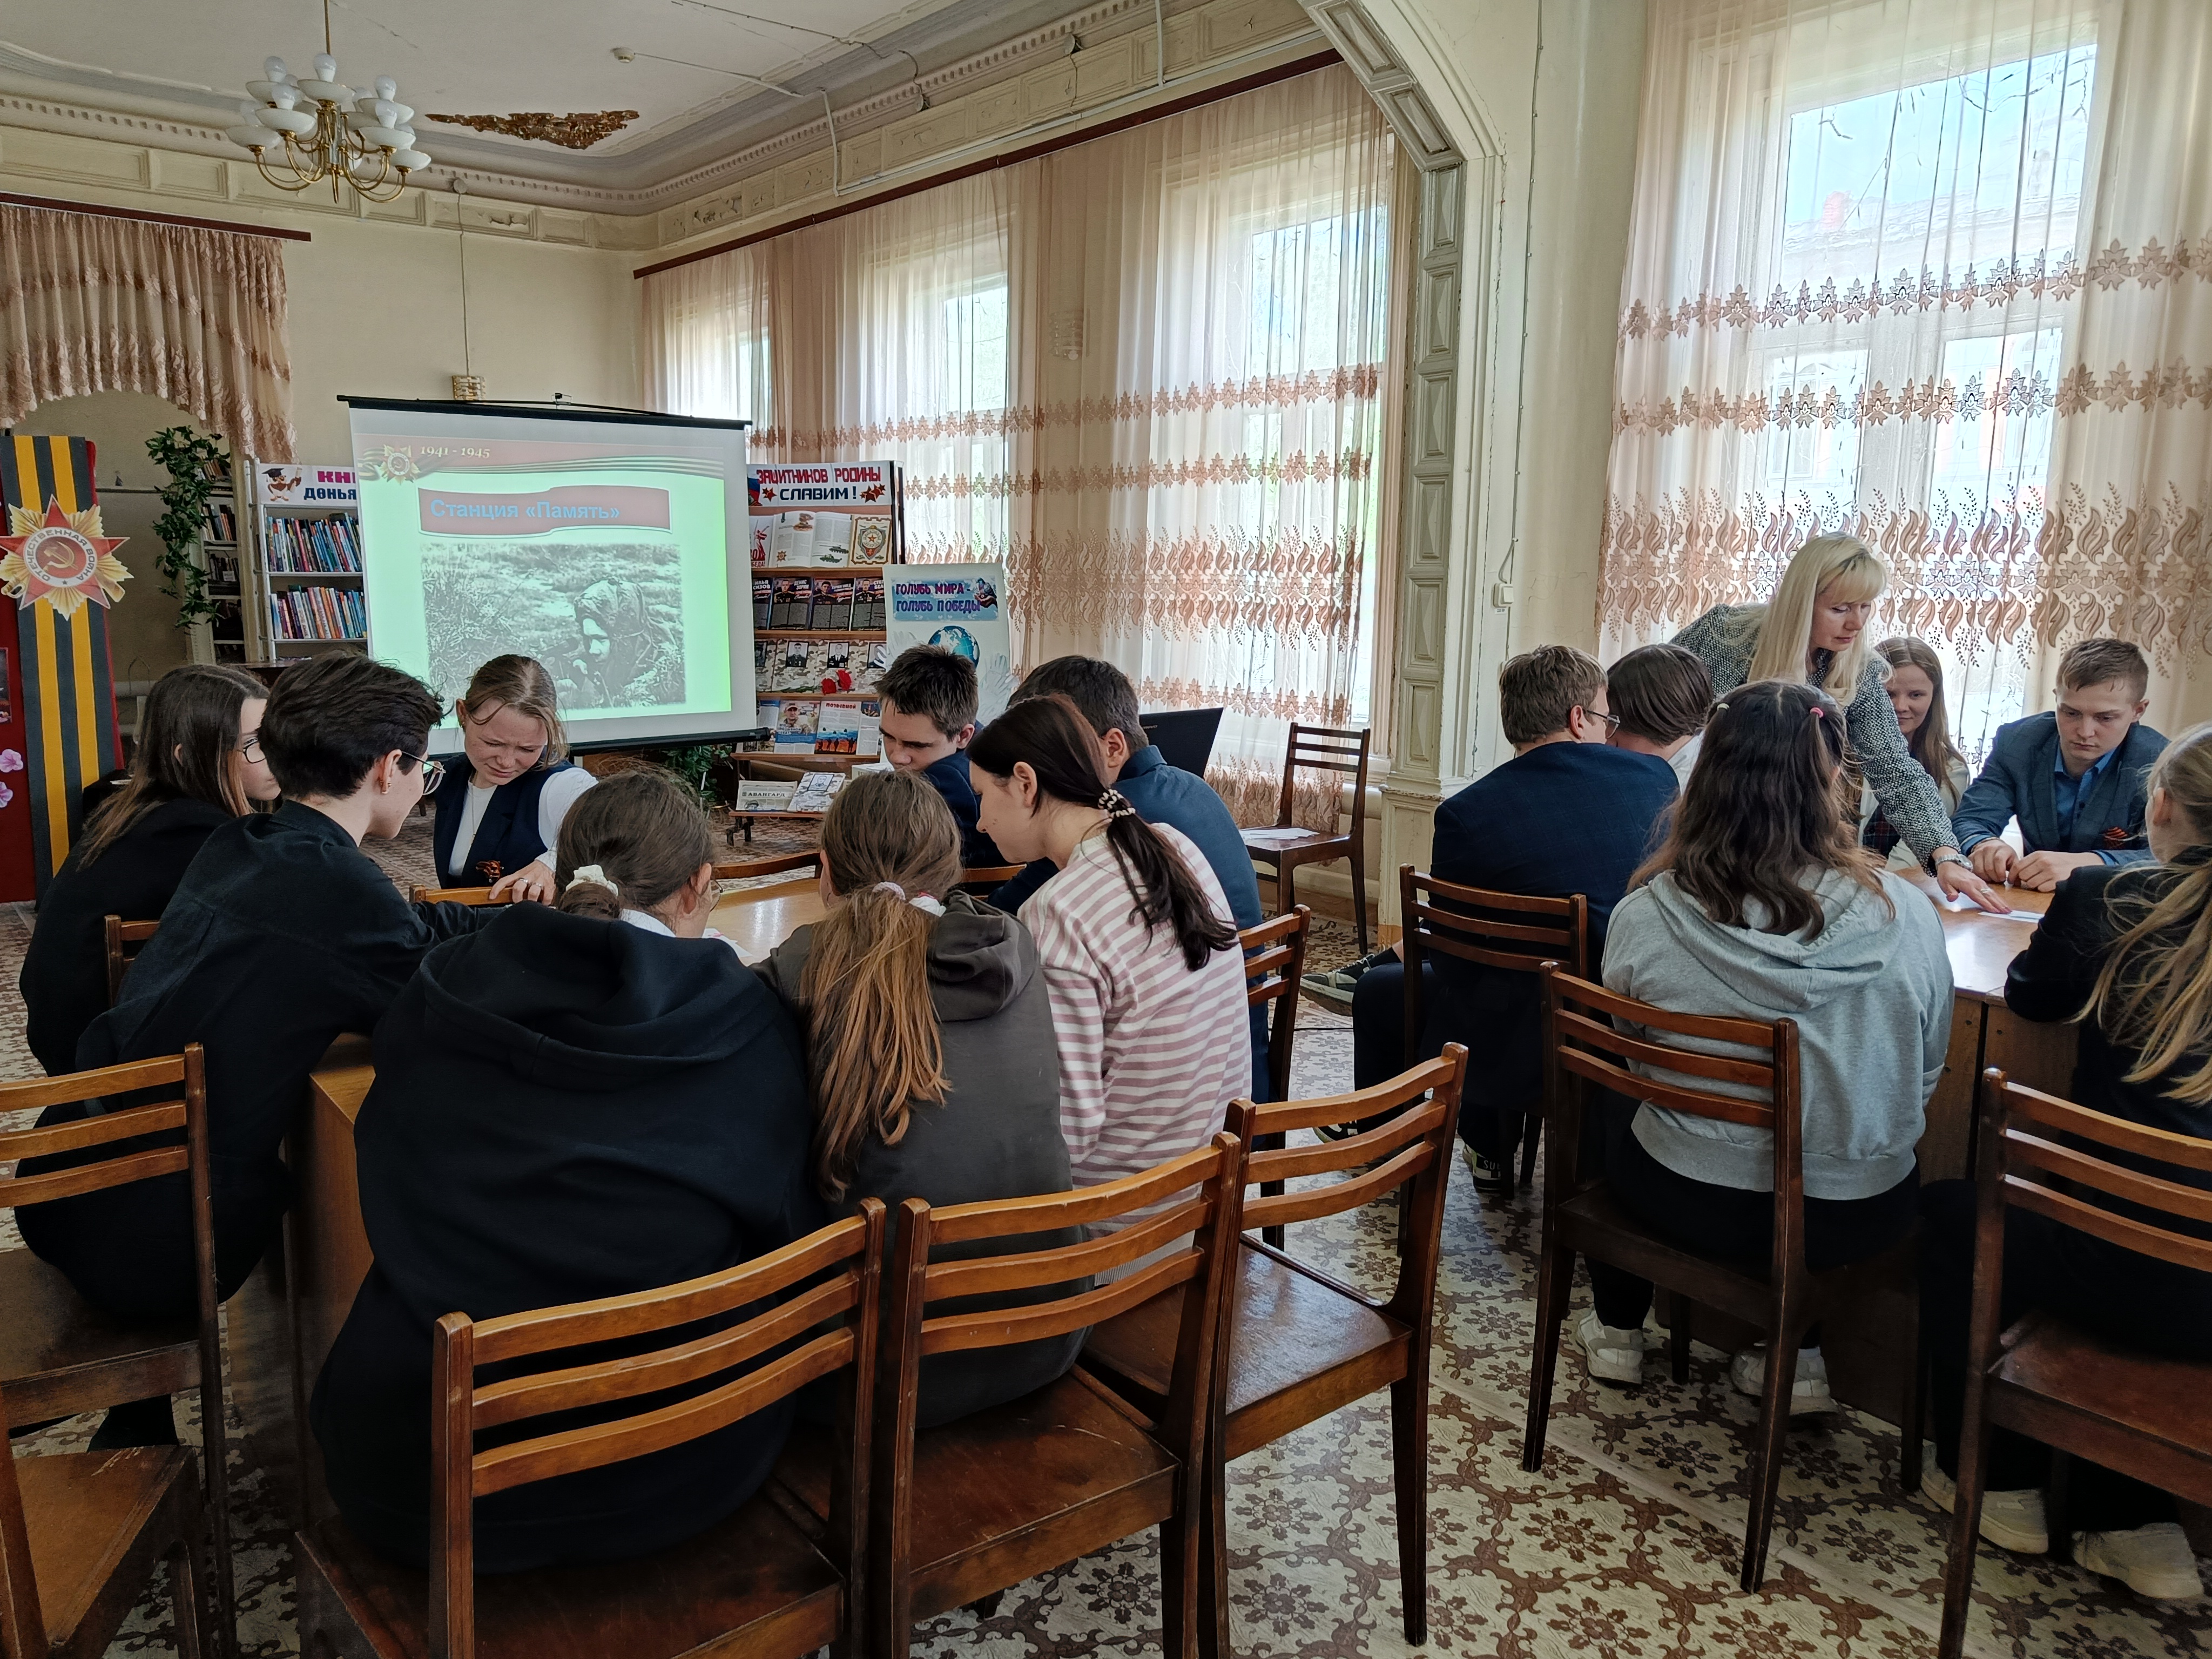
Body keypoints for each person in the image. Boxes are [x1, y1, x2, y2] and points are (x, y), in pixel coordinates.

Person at [312, 768, 820, 1571]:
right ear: (700, 887)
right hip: (680, 1459)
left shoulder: (442, 990)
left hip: (422, 1469)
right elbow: (783, 1219)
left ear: (564, 866)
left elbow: (383, 1161)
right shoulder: (743, 1018)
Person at [18, 653, 487, 1446]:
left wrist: (522, 920)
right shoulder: (333, 886)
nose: (422, 788)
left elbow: (405, 933)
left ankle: (137, 1433)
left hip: (76, 1177)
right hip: (165, 1234)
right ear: (387, 768)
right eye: (425, 770)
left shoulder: (250, 841)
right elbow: (440, 1000)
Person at [1583, 678, 1952, 1413]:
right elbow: (1924, 1069)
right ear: (1833, 776)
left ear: (1704, 772)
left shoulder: (1646, 913)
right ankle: (1799, 1354)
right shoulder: (1907, 914)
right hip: (1856, 1210)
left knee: (1609, 1097)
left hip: (1690, 1196)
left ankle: (1619, 1328)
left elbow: (1637, 1058)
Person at [1919, 722, 2212, 1604]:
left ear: (2161, 807)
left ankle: (1995, 1481)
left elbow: (2032, 996)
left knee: (1958, 1214)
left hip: (2117, 1258)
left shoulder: (2111, 899)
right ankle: (2128, 1518)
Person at [752, 768, 1082, 1425]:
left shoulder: (796, 970)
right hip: (1046, 1330)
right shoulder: (1012, 946)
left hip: (875, 1372)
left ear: (826, 869)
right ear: (950, 867)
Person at [1348, 645, 1678, 1192]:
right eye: (1607, 719)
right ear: (1579, 719)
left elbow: (1452, 963)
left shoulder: (1467, 812)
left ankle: (1389, 1154)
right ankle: (1488, 1146)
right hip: (1627, 1021)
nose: (1609, 731)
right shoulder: (1655, 780)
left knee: (1384, 989)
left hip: (1510, 1043)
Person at [968, 695, 1247, 1202]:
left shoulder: (1059, 911)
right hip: (1209, 1191)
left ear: (1025, 784)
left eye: (983, 796)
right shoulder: (1173, 845)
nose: (981, 822)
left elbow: (1064, 1136)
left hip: (1122, 1221)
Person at [1672, 534, 2007, 913]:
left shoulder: (1861, 671)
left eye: (1865, 607)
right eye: (1841, 608)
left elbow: (1894, 769)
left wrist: (1944, 854)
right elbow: (1652, 702)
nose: (1856, 623)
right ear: (1800, 602)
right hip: (1700, 822)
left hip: (1786, 841)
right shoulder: (1722, 634)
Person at [987, 657, 1271, 1098]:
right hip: (1233, 1062)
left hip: (1174, 1089)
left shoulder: (1107, 824)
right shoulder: (1191, 786)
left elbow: (999, 923)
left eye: (1056, 750)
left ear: (1112, 747)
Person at [21, 664, 280, 1077]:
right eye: (253, 744)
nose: (276, 756)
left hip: (74, 1046)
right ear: (188, 756)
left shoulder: (140, 811)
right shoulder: (193, 834)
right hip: (111, 1069)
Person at [1951, 637, 2166, 892]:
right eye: (2071, 713)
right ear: (2057, 699)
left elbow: (2174, 856)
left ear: (2138, 711)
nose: (2085, 732)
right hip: (2029, 901)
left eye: (2105, 718)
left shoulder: (2161, 763)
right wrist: (1984, 844)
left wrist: (2091, 863)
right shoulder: (2018, 743)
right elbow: (1971, 819)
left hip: (2117, 903)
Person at [429, 655, 596, 901]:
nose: (507, 762)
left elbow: (622, 834)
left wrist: (553, 862)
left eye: (528, 749)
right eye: (492, 743)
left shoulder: (563, 784)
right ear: (463, 714)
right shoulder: (452, 776)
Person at [877, 645, 1000, 867]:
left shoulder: (946, 780)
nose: (897, 757)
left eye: (916, 745)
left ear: (963, 735)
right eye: (888, 737)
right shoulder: (991, 745)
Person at [1861, 637, 1972, 871]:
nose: (1900, 706)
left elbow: (1909, 859)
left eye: (1916, 695)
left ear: (1934, 698)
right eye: (1888, 694)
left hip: (1899, 883)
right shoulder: (1841, 754)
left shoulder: (1949, 769)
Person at [1603, 643, 1713, 790]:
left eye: (1614, 722)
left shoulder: (1683, 791)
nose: (1607, 741)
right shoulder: (1698, 748)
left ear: (1657, 723)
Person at [561, 577, 677, 707]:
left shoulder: (662, 675)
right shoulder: (600, 655)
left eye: (601, 639)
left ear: (625, 638)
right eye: (589, 639)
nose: (593, 650)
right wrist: (578, 667)